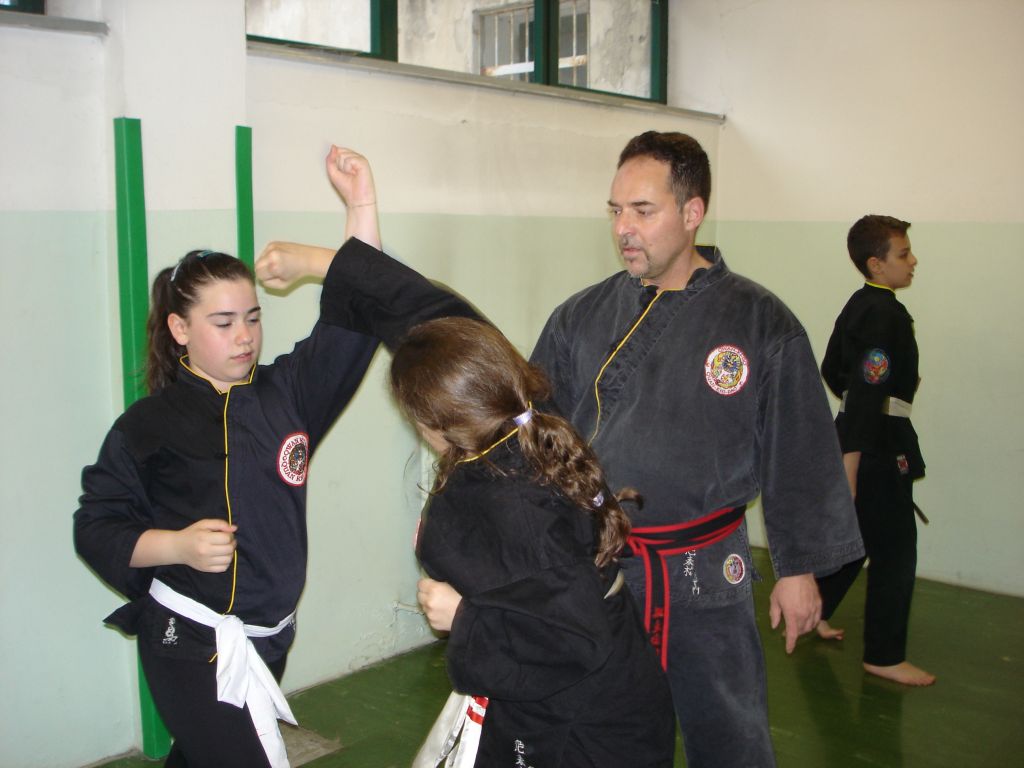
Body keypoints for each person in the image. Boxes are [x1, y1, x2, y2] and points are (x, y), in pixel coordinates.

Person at [72, 146, 446, 768]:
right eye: (223, 323)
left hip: (269, 638)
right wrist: (176, 546)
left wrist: (361, 203)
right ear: (180, 329)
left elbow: (356, 311)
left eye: (252, 317)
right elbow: (95, 525)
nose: (244, 336)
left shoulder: (289, 394)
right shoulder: (147, 426)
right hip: (188, 638)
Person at [529, 130, 864, 767]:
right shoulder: (581, 315)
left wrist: (798, 571)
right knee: (598, 738)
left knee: (730, 737)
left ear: (692, 212)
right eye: (615, 210)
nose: (623, 228)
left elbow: (797, 449)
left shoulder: (759, 321)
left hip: (705, 572)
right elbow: (538, 434)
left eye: (642, 210)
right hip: (597, 564)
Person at [395, 317, 676, 767]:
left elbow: (571, 637)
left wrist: (463, 617)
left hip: (583, 721)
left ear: (434, 420)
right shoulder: (515, 444)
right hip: (572, 690)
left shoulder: (513, 498)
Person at [814, 215, 935, 686]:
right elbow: (866, 393)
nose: (913, 261)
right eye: (903, 254)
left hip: (866, 437)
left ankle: (813, 611)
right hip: (875, 448)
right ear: (876, 264)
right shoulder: (884, 314)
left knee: (859, 540)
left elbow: (832, 369)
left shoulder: (861, 303)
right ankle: (884, 655)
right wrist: (851, 468)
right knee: (896, 552)